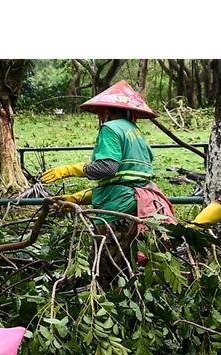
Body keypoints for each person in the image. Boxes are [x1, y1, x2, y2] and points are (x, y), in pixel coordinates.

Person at [39, 81, 175, 271]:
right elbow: (122, 182)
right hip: (138, 207)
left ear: (106, 111)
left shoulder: (110, 128)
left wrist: (69, 170)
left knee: (108, 269)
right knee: (129, 266)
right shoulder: (136, 133)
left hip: (116, 214)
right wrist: (76, 198)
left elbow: (107, 168)